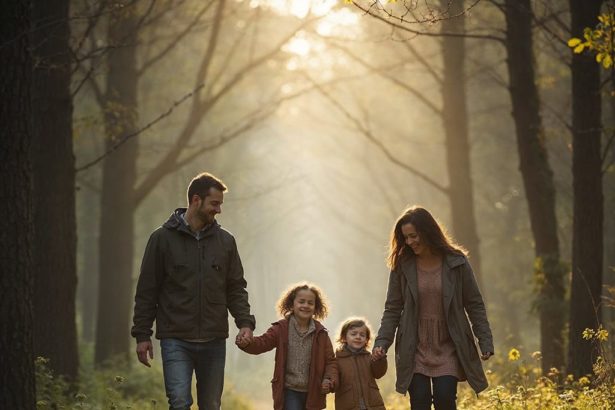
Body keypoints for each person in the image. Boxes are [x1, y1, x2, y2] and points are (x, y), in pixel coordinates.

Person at [131, 172, 255, 410]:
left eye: (220, 204)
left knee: (211, 405)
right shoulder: (161, 239)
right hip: (175, 339)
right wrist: (142, 335)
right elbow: (147, 290)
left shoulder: (226, 241)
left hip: (214, 340)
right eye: (214, 203)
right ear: (196, 200)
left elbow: (236, 288)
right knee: (179, 402)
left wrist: (245, 323)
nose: (218, 210)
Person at [372, 206, 493, 410]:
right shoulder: (403, 265)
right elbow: (392, 308)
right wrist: (382, 342)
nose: (410, 242)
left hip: (449, 344)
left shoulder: (457, 262)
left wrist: (485, 340)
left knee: (445, 398)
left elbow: (474, 304)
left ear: (428, 231)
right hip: (414, 345)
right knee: (419, 401)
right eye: (406, 238)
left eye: (413, 236)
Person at [236, 283, 337, 410]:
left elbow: (331, 361)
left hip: (314, 392)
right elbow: (262, 343)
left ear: (316, 307)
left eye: (310, 303)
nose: (306, 305)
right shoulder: (281, 329)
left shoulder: (321, 333)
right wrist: (247, 343)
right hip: (289, 391)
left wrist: (328, 380)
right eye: (301, 301)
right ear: (292, 304)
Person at [333, 317, 387, 410]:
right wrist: (329, 382)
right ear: (344, 337)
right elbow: (333, 377)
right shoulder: (338, 359)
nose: (358, 337)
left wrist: (380, 359)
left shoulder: (369, 357)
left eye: (362, 335)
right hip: (348, 405)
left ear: (366, 339)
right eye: (353, 334)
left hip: (373, 405)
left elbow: (378, 373)